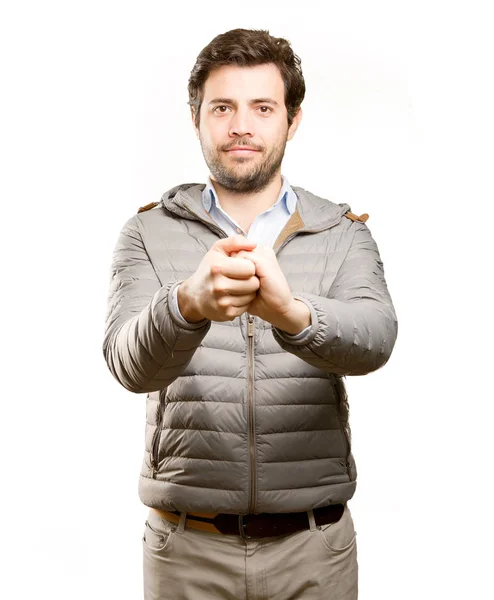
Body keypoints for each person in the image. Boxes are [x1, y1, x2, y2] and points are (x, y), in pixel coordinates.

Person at [102, 27, 398, 600]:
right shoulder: (145, 232)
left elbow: (378, 338)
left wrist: (293, 313)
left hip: (315, 547)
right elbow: (126, 362)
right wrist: (187, 305)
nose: (242, 125)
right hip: (186, 548)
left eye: (263, 107)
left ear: (292, 120)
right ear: (197, 119)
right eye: (223, 107)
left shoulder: (343, 233)